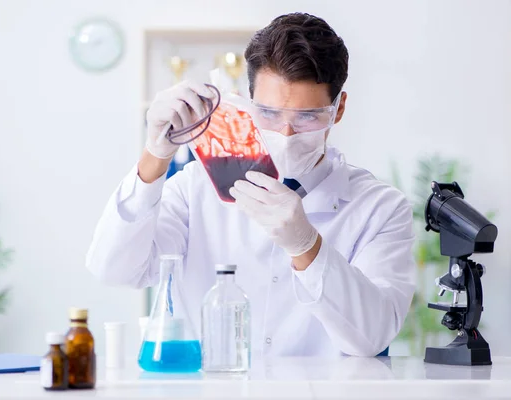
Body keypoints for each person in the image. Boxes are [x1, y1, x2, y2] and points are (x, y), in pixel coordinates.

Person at [86, 12, 416, 358]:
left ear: (338, 108)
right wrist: (154, 156)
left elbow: (372, 338)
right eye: (269, 113)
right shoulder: (195, 188)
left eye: (307, 116)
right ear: (248, 99)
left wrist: (308, 247)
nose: (286, 134)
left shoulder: (380, 208)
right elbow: (116, 269)